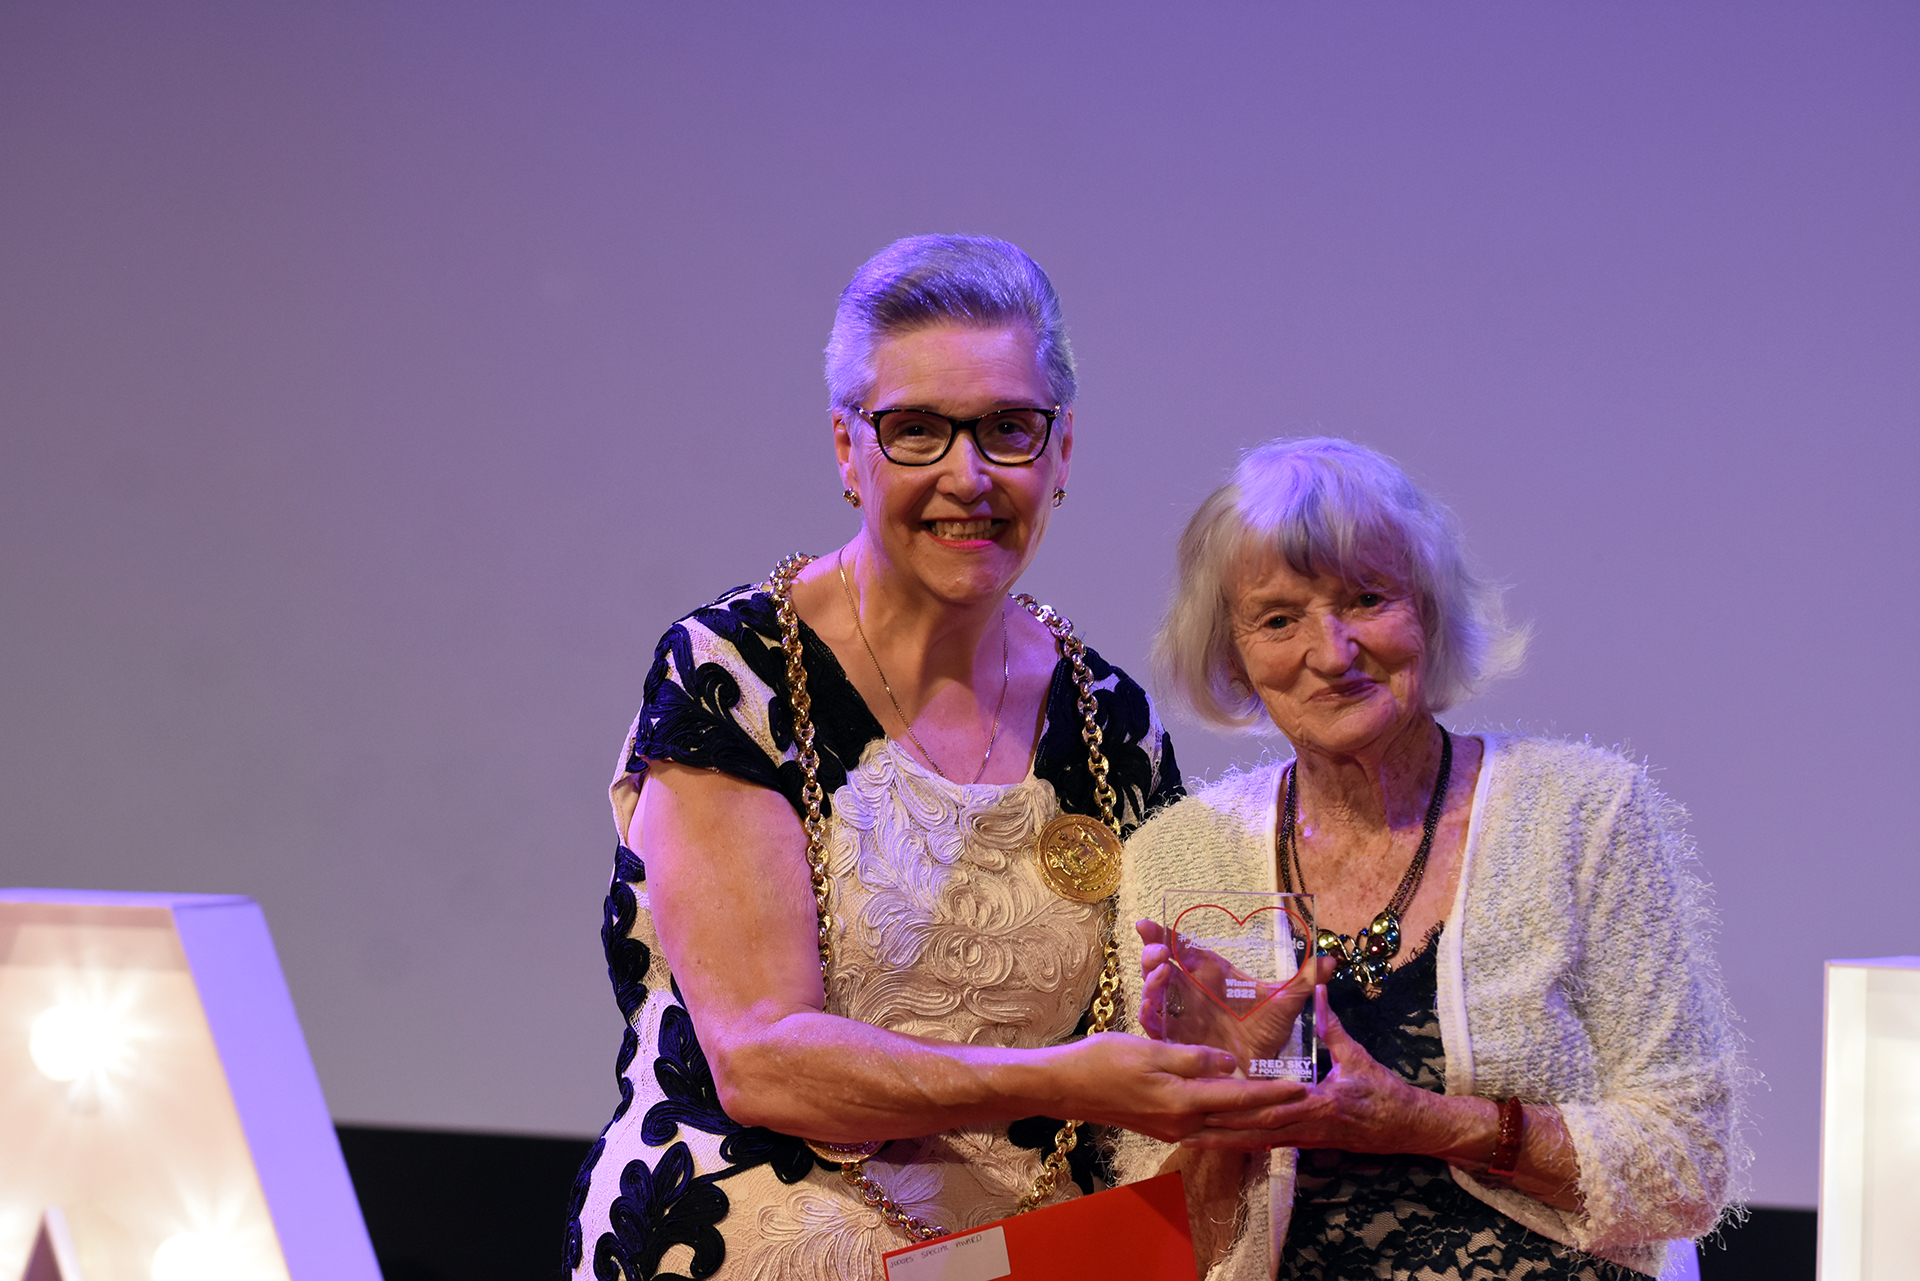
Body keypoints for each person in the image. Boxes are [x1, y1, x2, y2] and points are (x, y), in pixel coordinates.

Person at [566, 236, 1303, 1280]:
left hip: (1029, 1262)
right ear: (846, 450)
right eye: (917, 430)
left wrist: (1243, 1051)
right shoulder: (737, 673)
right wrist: (1071, 1078)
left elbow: (1162, 1055)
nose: (970, 475)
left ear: (1061, 454)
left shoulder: (1109, 721)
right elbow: (764, 1061)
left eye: (1010, 428)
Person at [1115, 437, 1746, 1280]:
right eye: (1278, 618)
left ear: (1429, 610)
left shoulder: (1585, 813)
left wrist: (1420, 1119)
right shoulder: (1177, 854)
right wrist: (1221, 1118)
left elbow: (1689, 1164)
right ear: (1233, 654)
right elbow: (1172, 1236)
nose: (1332, 652)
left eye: (1367, 598)